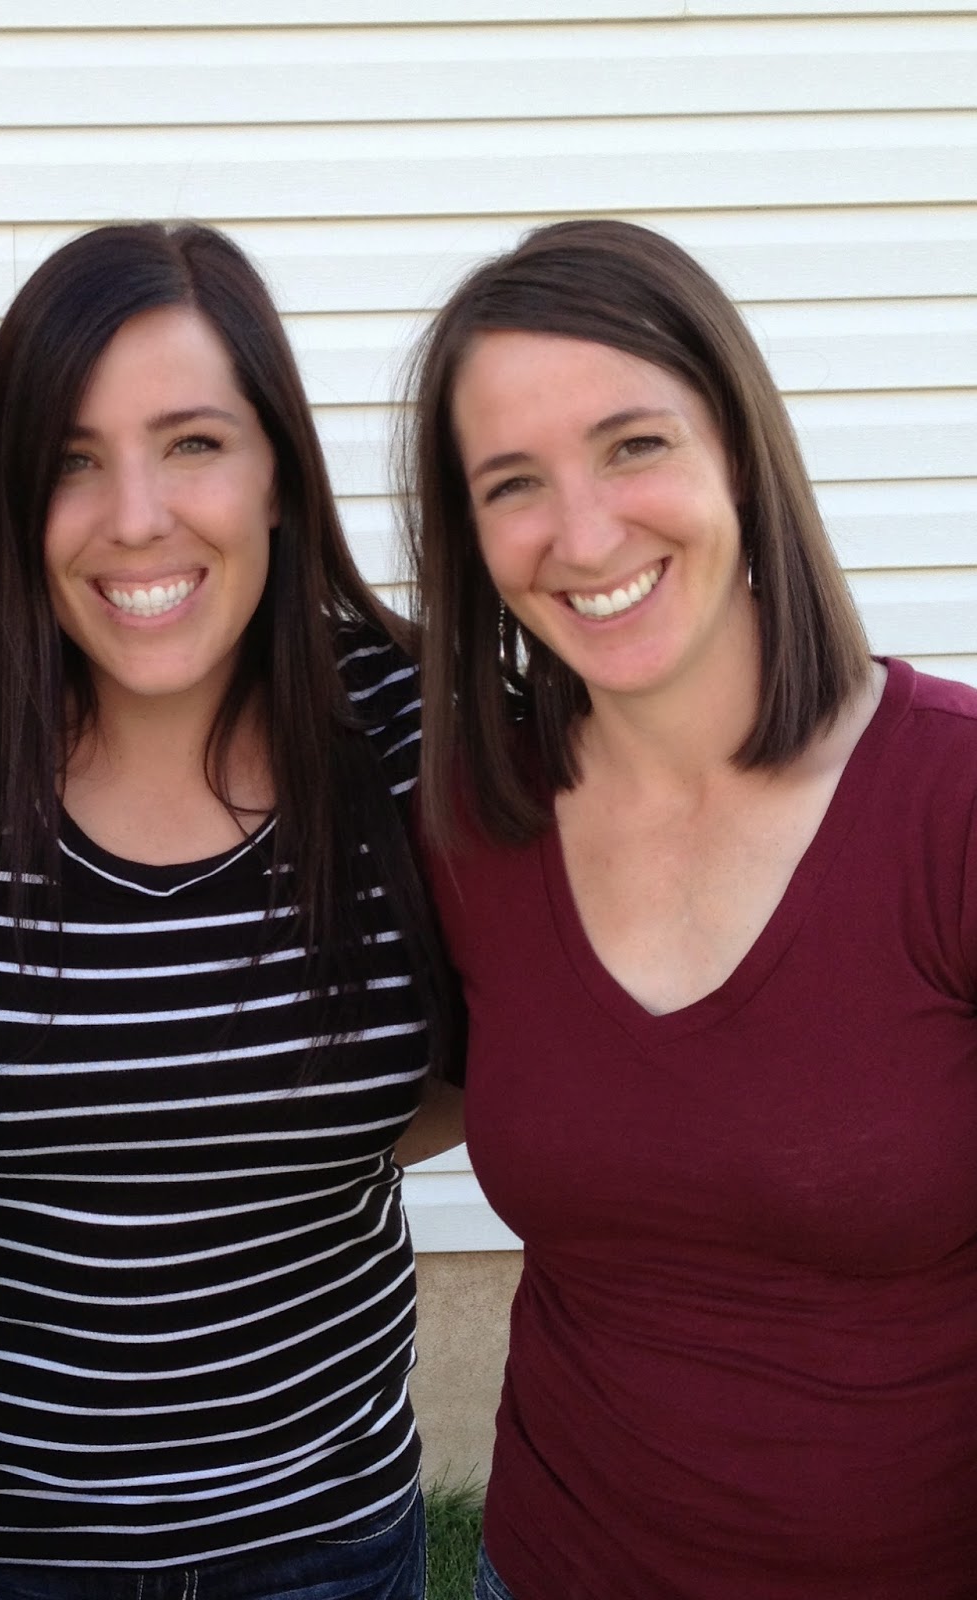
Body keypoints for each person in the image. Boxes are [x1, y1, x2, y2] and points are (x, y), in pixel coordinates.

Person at [0, 221, 459, 1600]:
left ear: (280, 470)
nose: (138, 517)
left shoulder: (418, 735)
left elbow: (518, 1049)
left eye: (195, 443)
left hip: (317, 1541)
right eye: (71, 462)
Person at [403, 217, 977, 1598]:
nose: (584, 531)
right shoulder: (476, 827)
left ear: (740, 449)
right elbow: (405, 1102)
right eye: (513, 482)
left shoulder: (949, 804)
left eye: (634, 445)